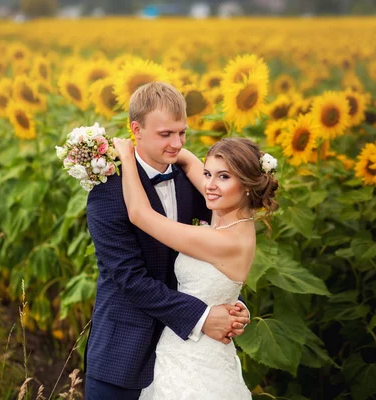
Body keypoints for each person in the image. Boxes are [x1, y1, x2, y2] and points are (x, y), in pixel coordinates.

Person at [84, 82, 251, 400]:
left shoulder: (193, 182)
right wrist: (204, 317)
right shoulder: (108, 191)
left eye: (182, 133)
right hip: (125, 355)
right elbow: (130, 280)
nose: (177, 144)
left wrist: (232, 305)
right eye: (166, 134)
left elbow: (222, 246)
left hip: (188, 360)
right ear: (137, 129)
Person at [111, 135, 279, 399]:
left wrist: (128, 155)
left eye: (223, 176)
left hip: (195, 362)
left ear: (247, 185)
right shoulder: (230, 216)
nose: (210, 185)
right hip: (192, 350)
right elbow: (189, 162)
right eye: (208, 173)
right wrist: (164, 148)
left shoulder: (223, 240)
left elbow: (139, 214)